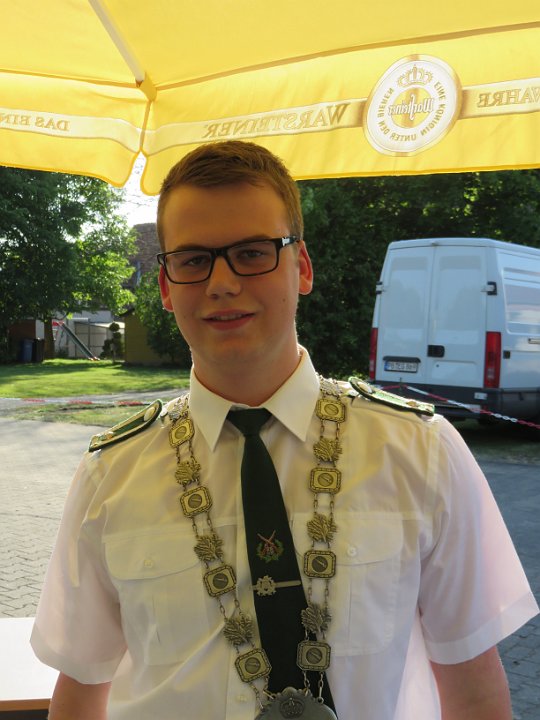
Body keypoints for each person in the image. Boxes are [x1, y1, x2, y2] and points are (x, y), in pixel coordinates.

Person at [32, 140, 538, 720]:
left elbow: (472, 691)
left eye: (252, 253)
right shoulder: (111, 475)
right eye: (193, 260)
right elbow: (81, 692)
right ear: (167, 287)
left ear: (302, 268)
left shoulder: (421, 451)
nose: (222, 282)